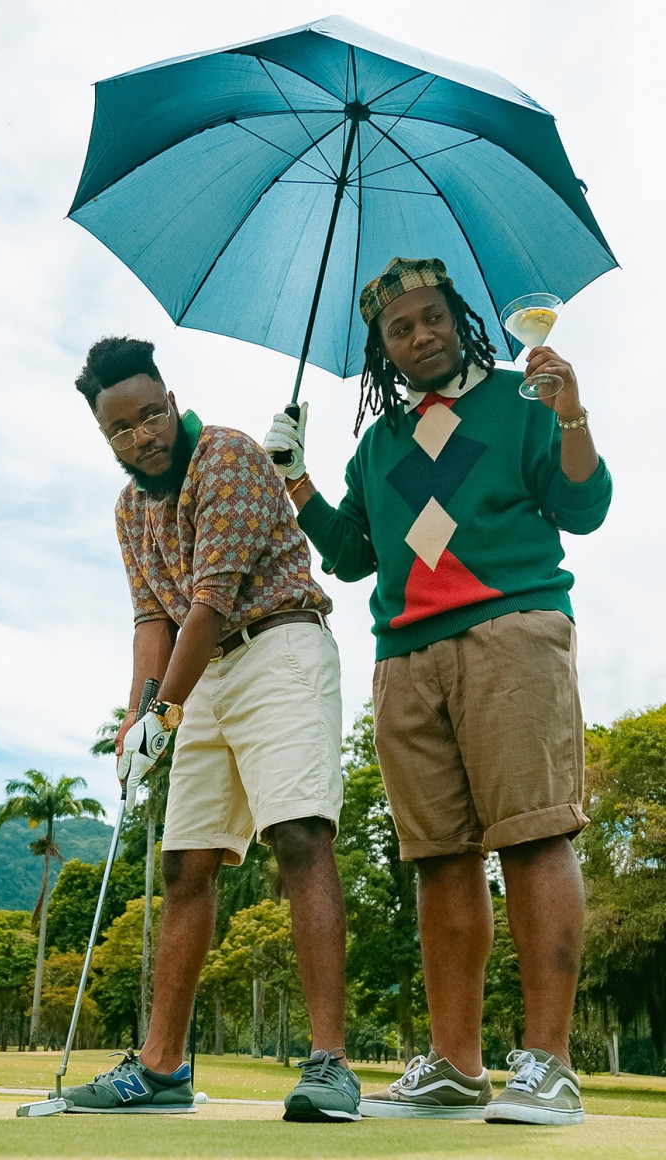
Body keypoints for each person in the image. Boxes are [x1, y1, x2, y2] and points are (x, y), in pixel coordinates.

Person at [264, 256, 612, 1127]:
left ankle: (551, 1064)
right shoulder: (378, 444)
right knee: (437, 858)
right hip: (405, 656)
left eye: (433, 317)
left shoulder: (519, 399)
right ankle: (456, 1067)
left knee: (533, 837)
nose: (421, 335)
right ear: (382, 347)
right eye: (400, 327)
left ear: (459, 317)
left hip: (513, 634)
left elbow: (584, 506)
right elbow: (352, 556)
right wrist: (296, 481)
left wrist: (572, 417)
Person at [56, 336, 361, 1122]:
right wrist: (136, 721)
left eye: (150, 416)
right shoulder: (128, 509)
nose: (141, 437)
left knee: (299, 836)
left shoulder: (225, 457)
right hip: (203, 671)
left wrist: (165, 709)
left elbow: (210, 602)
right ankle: (162, 1069)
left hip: (279, 645)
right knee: (187, 865)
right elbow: (153, 620)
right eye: (120, 430)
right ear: (105, 436)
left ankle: (329, 1063)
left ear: (170, 400)